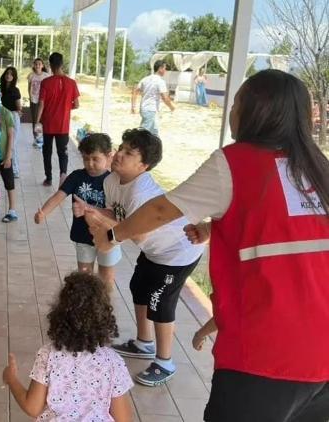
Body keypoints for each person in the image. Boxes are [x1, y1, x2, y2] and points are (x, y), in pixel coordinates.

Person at [89, 70, 329, 421]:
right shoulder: (317, 166)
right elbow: (286, 232)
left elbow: (159, 210)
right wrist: (213, 227)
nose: (231, 112)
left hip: (266, 356)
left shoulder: (236, 161)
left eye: (236, 103)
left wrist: (111, 235)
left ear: (256, 112)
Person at [84, 128, 204, 386]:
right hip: (154, 251)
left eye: (129, 153)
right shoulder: (111, 181)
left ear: (144, 166)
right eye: (121, 148)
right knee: (138, 287)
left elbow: (136, 235)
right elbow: (115, 212)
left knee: (160, 303)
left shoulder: (142, 192)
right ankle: (143, 343)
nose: (119, 155)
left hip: (178, 253)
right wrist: (93, 210)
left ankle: (165, 362)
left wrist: (103, 223)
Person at [2, 272, 134, 421]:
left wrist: (11, 379)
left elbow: (32, 408)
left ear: (60, 314)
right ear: (104, 319)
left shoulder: (49, 355)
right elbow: (123, 419)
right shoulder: (113, 361)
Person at [34, 133, 120, 290]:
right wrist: (44, 212)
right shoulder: (76, 177)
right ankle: (87, 310)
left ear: (108, 156)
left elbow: (117, 212)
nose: (90, 163)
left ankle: (105, 310)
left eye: (95, 159)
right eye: (86, 159)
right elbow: (58, 196)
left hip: (109, 237)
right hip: (83, 236)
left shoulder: (114, 181)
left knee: (106, 278)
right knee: (84, 276)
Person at [36, 52, 80, 187]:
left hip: (48, 124)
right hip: (63, 125)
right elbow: (77, 104)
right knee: (63, 151)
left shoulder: (46, 82)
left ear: (50, 65)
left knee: (47, 151)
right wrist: (66, 107)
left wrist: (37, 122)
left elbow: (41, 104)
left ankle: (48, 178)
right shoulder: (72, 83)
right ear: (62, 64)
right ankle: (63, 174)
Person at [131, 60, 175, 136]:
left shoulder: (145, 79)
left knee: (154, 133)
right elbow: (164, 97)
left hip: (145, 108)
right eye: (165, 68)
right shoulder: (160, 81)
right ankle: (135, 146)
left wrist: (133, 106)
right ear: (160, 68)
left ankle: (155, 147)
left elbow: (135, 91)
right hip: (150, 109)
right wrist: (171, 107)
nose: (166, 70)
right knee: (143, 134)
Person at [0, 66, 22, 178]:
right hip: (2, 117)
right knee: (3, 142)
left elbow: (19, 107)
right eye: (7, 73)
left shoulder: (15, 90)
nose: (9, 76)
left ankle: (15, 170)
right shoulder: (0, 89)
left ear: (14, 77)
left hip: (13, 116)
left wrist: (18, 112)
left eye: (11, 74)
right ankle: (4, 165)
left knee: (12, 144)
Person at [0, 105, 18, 223]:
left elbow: (11, 136)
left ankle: (12, 210)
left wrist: (8, 156)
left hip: (5, 155)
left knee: (9, 182)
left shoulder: (6, 113)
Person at [27, 58, 49, 149]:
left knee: (43, 121)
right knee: (36, 121)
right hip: (34, 101)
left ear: (42, 66)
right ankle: (37, 140)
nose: (37, 65)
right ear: (34, 65)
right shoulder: (31, 75)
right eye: (36, 64)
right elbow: (29, 88)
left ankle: (43, 139)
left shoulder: (46, 76)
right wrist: (31, 97)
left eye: (39, 64)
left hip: (44, 101)